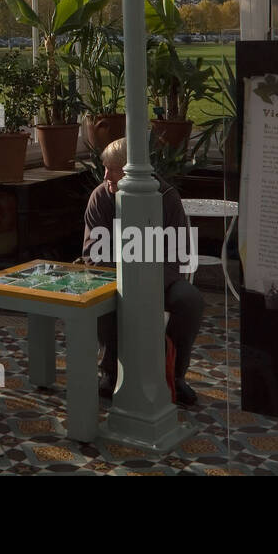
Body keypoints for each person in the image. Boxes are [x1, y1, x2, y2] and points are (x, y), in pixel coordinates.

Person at [80, 137, 204, 407]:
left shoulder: (167, 198)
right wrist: (127, 283)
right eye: (105, 168)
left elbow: (177, 256)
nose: (105, 175)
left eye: (112, 168)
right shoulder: (101, 197)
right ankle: (110, 373)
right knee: (108, 299)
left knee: (190, 300)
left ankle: (175, 374)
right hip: (113, 279)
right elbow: (93, 255)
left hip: (159, 280)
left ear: (130, 169)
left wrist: (146, 286)